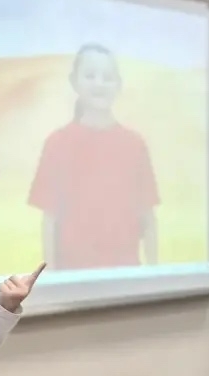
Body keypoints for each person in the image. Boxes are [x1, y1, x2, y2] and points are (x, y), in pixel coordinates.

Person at [28, 43, 159, 269]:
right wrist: (50, 276)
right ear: (74, 81)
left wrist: (153, 273)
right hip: (72, 277)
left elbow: (148, 217)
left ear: (118, 85)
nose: (99, 84)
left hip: (126, 276)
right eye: (90, 76)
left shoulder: (135, 144)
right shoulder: (56, 144)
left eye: (107, 77)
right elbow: (49, 221)